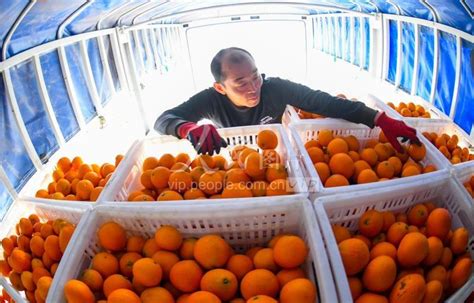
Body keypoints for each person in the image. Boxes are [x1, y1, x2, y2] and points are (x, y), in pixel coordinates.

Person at [155, 47, 419, 155]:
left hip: (277, 159)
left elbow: (323, 102)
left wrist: (379, 118)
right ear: (220, 88)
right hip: (235, 161)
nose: (254, 87)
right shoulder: (210, 100)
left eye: (255, 77)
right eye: (241, 83)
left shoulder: (276, 88)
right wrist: (189, 128)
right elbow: (163, 119)